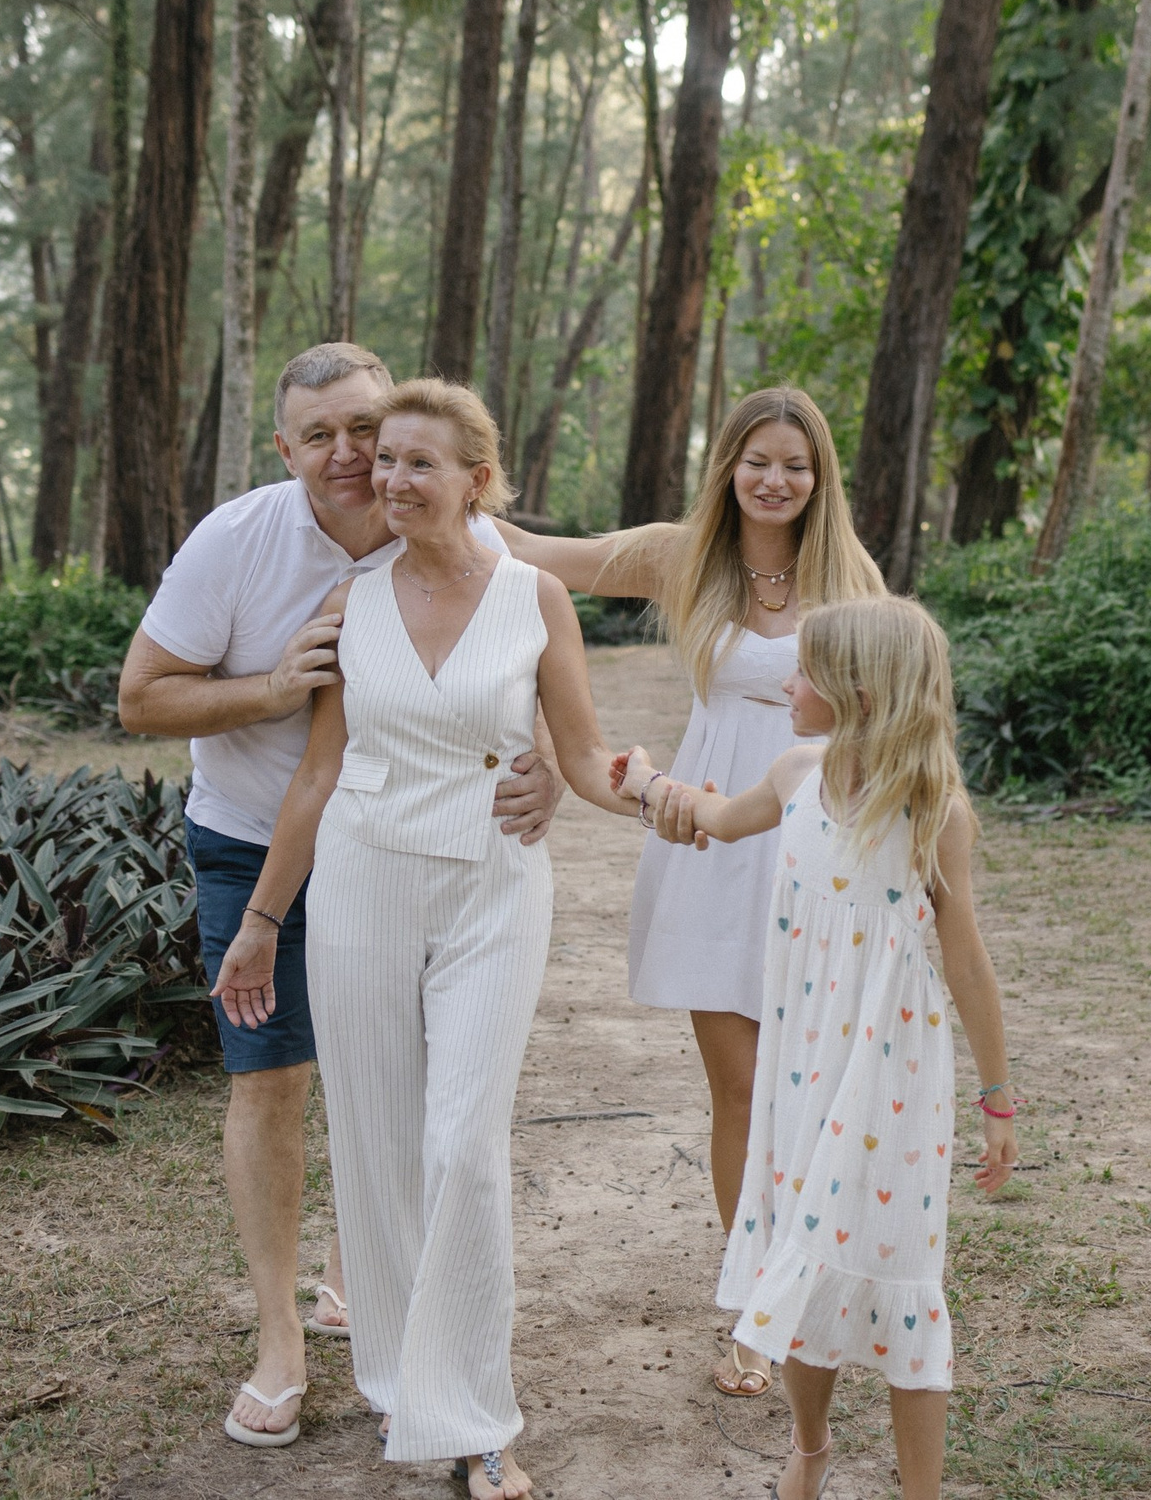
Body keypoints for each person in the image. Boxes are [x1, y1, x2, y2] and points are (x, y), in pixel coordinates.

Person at [116, 344, 557, 1449]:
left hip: (404, 857)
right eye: (319, 435)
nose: (350, 455)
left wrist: (547, 753)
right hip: (249, 838)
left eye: (364, 427)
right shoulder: (238, 542)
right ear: (284, 449)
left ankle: (359, 1280)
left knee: (402, 1092)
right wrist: (277, 684)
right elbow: (139, 699)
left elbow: (515, 652)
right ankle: (279, 1341)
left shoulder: (453, 530)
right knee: (269, 1083)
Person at [224, 379, 636, 1500]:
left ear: (478, 482)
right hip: (360, 884)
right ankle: (412, 1385)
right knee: (378, 1142)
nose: (392, 480)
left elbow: (589, 754)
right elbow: (316, 775)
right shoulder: (349, 604)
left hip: (494, 889)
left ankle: (482, 1418)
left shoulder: (536, 597)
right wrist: (263, 921)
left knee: (463, 1146)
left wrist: (681, 801)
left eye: (419, 463)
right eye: (386, 460)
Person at [496, 386, 885, 1398]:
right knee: (744, 1089)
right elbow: (544, 555)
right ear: (728, 468)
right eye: (757, 459)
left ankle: (823, 1277)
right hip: (713, 838)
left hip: (817, 837)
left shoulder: (851, 578)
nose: (775, 479)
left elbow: (897, 718)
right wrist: (442, 486)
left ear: (818, 476)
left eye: (795, 464)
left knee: (813, 1090)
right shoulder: (683, 555)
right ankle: (755, 1306)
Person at [619, 596, 1017, 1500]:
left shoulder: (932, 810)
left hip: (891, 1065)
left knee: (898, 1262)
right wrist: (645, 781)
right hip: (801, 1056)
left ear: (859, 691)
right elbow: (716, 818)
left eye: (803, 671)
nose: (788, 684)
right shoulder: (798, 769)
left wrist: (997, 1098)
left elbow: (966, 960)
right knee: (798, 1249)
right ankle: (810, 1444)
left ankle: (920, 1490)